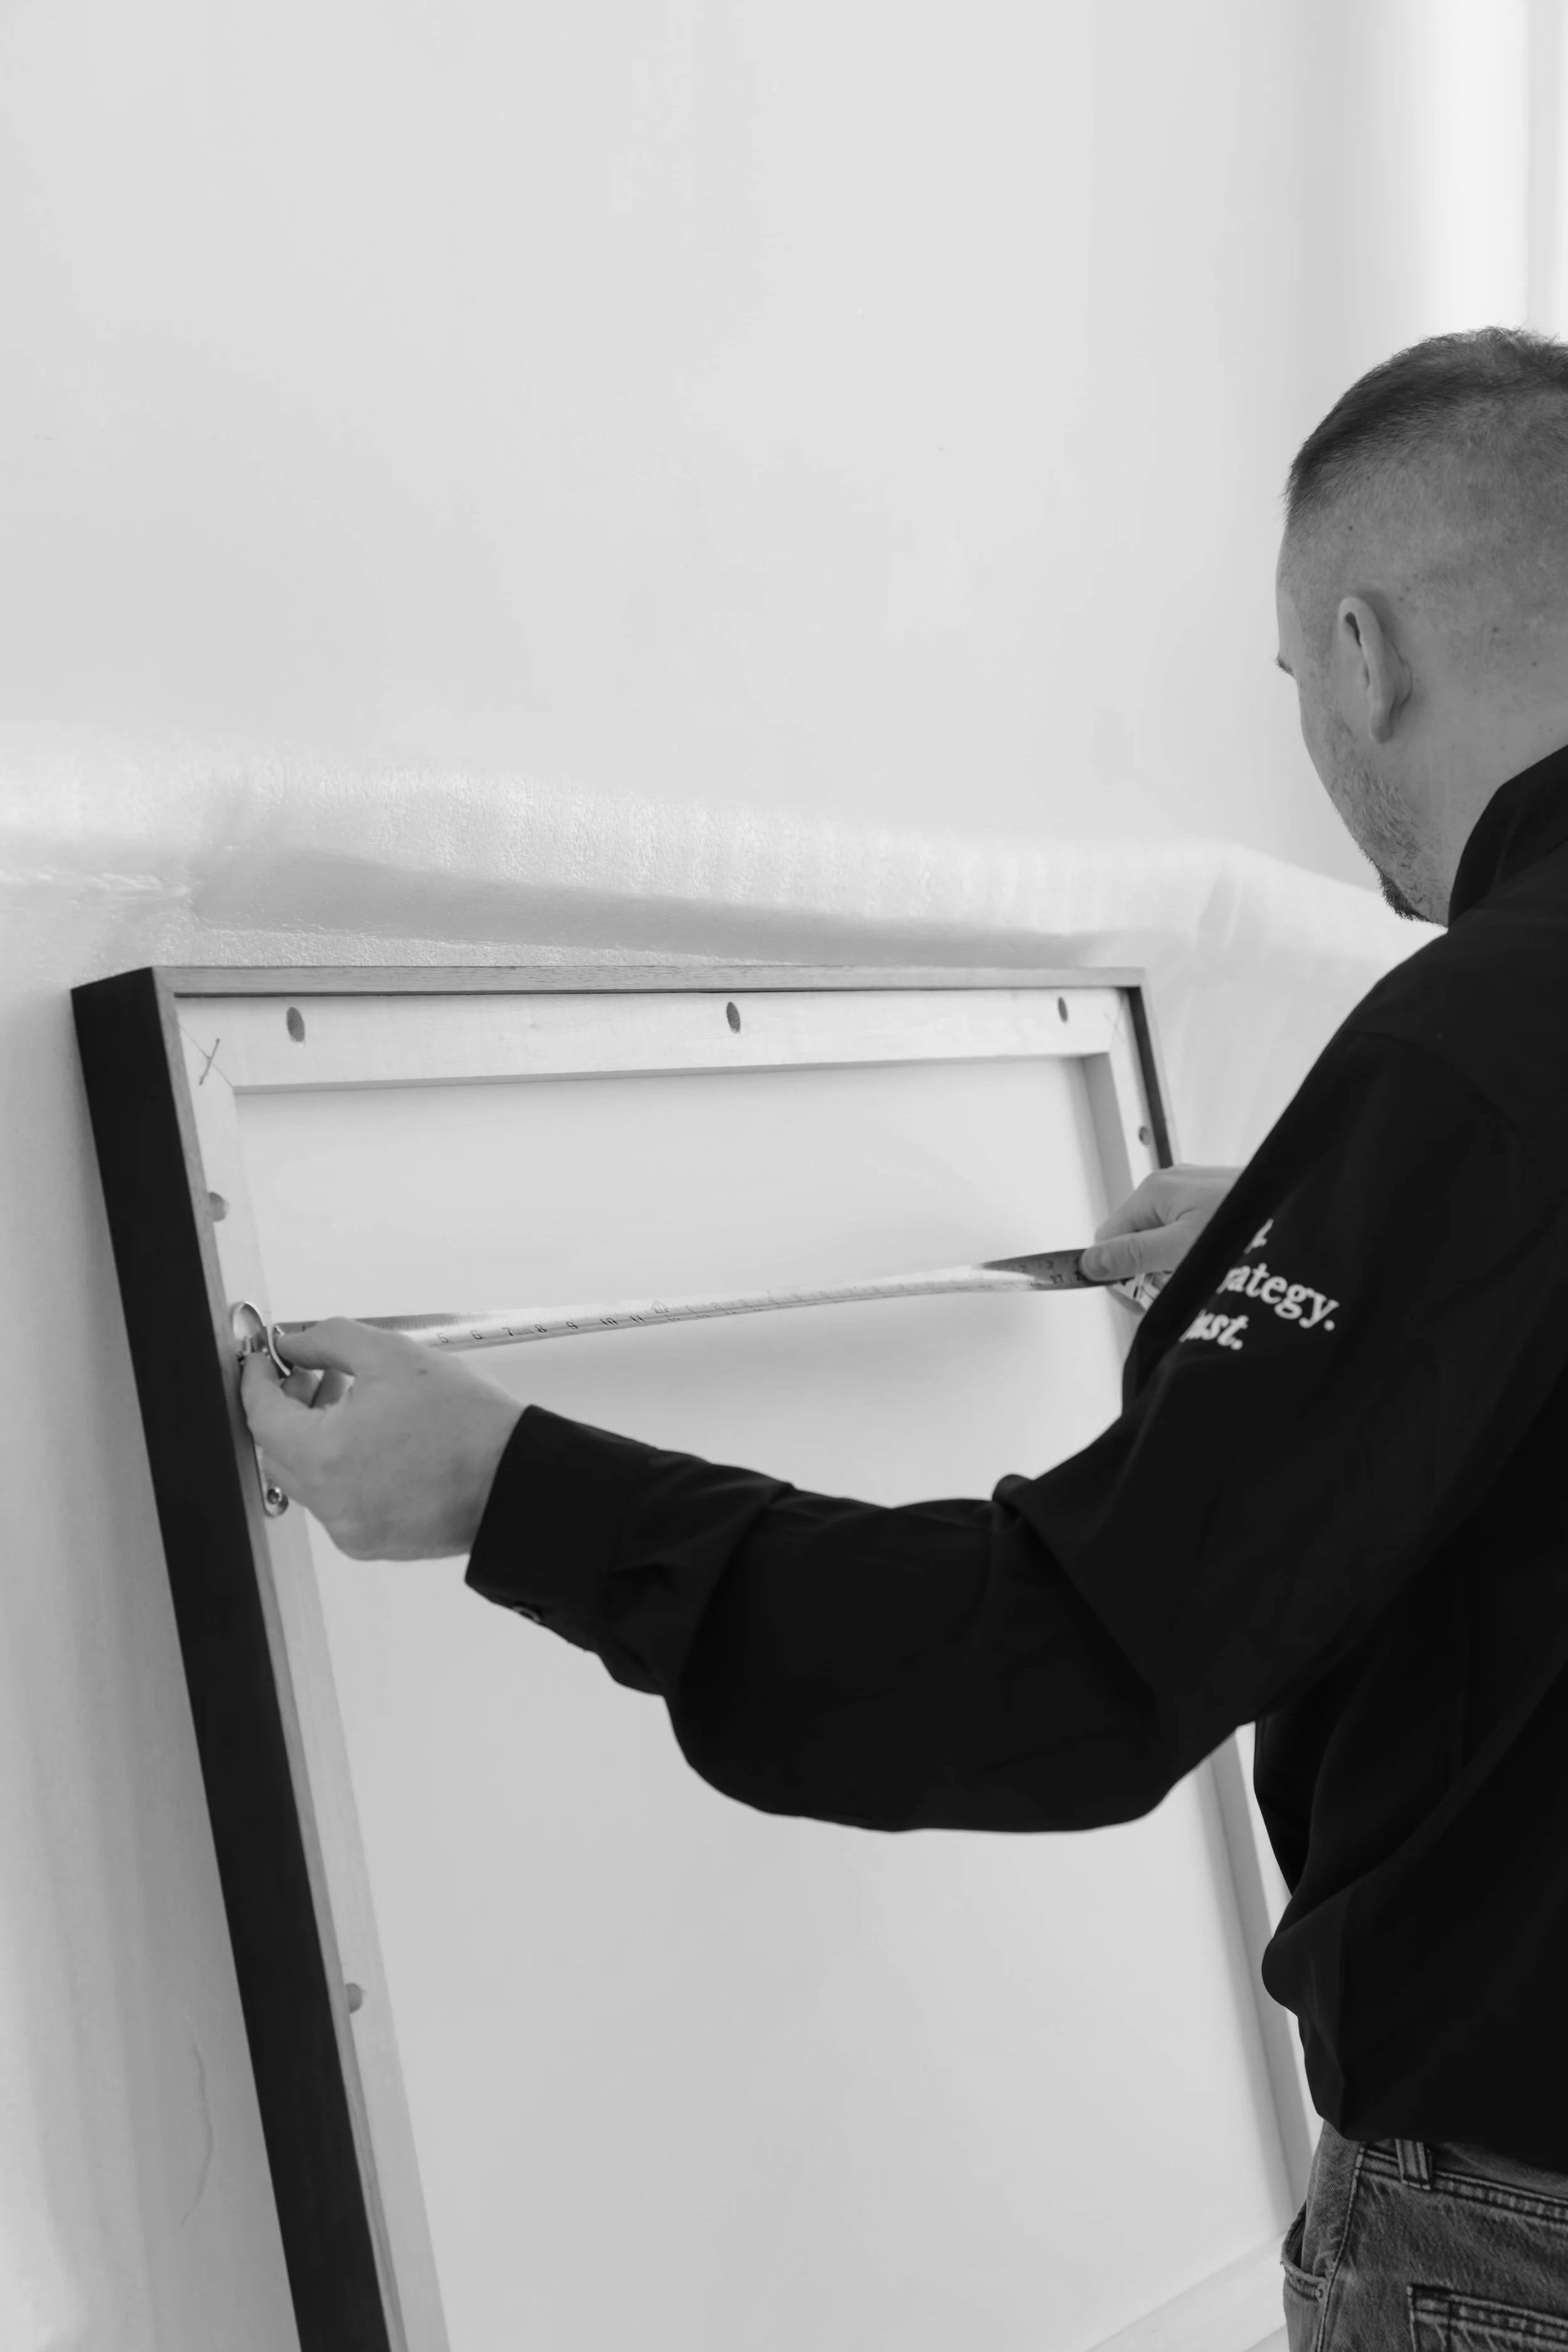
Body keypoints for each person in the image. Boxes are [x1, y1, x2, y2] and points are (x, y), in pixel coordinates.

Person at [243, 327, 1568, 2344]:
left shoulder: (1483, 1049)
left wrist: (508, 1488)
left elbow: (1058, 1671)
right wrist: (1348, 1269)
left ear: (1368, 649)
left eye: (1297, 682)